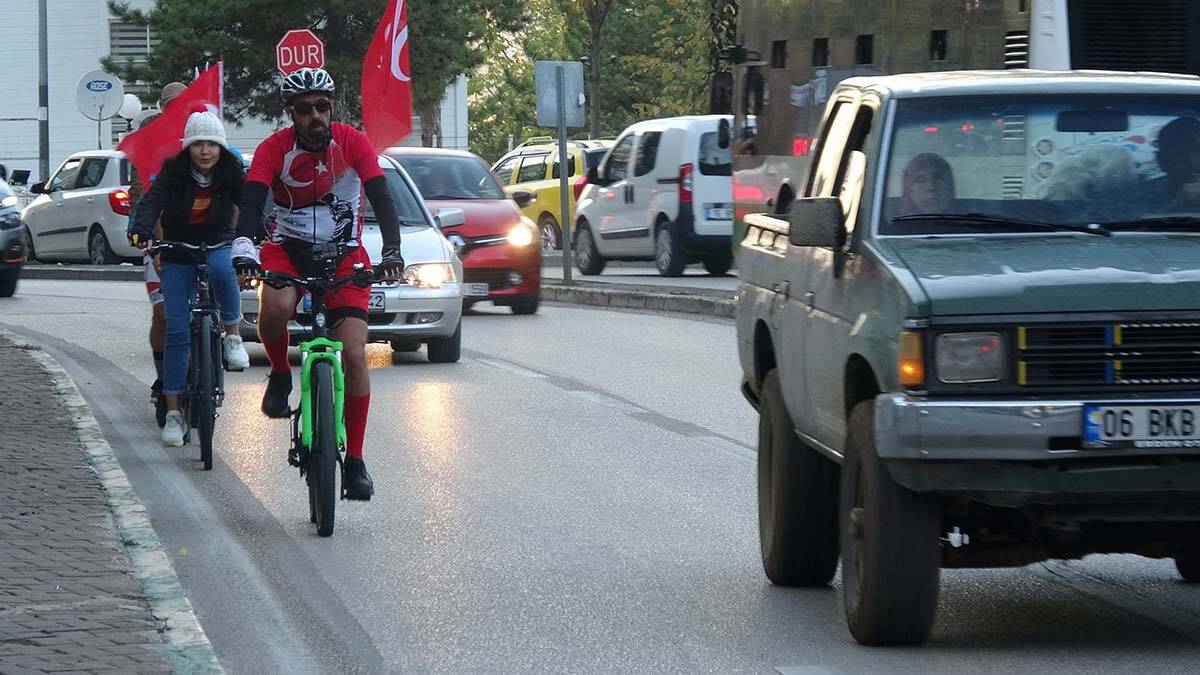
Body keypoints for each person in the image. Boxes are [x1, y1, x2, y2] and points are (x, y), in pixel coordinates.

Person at [230, 67, 406, 501]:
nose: (315, 116)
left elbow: (381, 196)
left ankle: (358, 462)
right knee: (274, 308)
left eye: (322, 107)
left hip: (344, 252)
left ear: (332, 108)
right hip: (286, 247)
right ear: (291, 113)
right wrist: (244, 246)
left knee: (355, 356)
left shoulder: (352, 142)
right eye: (304, 109)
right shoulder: (274, 148)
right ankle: (279, 372)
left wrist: (393, 251)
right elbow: (252, 200)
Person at [129, 111, 250, 447]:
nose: (205, 151)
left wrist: (259, 232)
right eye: (198, 144)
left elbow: (252, 206)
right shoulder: (173, 171)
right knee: (178, 330)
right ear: (188, 147)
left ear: (221, 147)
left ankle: (232, 336)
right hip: (177, 249)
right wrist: (141, 230)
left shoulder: (231, 172)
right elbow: (151, 203)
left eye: (212, 143)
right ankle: (173, 413)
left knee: (224, 271)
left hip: (217, 241)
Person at [127, 81, 187, 422]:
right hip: (155, 229)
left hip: (196, 232)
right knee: (163, 314)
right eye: (171, 105)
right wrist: (144, 234)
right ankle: (165, 379)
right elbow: (143, 192)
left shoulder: (200, 134)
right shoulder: (151, 141)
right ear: (163, 108)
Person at [1154, 116, 1200, 209]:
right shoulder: (1146, 199)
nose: (1194, 164)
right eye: (1180, 154)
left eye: (1199, 152)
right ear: (1162, 161)